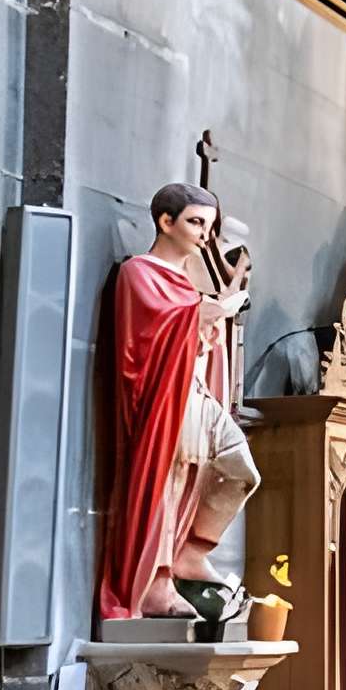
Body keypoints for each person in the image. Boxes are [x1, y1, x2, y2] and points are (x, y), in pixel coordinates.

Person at [98, 182, 260, 622]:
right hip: (164, 399)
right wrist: (212, 311)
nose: (205, 235)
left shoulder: (186, 285)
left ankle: (192, 551)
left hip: (194, 392)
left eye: (209, 225)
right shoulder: (139, 272)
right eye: (195, 222)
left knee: (240, 469)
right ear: (165, 222)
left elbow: (194, 333)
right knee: (166, 489)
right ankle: (157, 584)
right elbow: (152, 334)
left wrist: (213, 312)